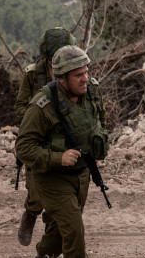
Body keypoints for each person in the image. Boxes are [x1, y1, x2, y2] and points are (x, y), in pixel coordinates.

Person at [15, 45, 110, 258]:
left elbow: (100, 120)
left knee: (60, 231)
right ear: (61, 79)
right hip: (51, 178)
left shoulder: (92, 91)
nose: (85, 78)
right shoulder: (43, 104)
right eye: (78, 75)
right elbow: (23, 147)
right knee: (74, 230)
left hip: (82, 174)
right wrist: (58, 157)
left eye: (86, 72)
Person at [14, 27, 78, 246]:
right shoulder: (33, 74)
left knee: (61, 194)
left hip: (66, 141)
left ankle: (51, 238)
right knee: (36, 190)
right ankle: (30, 213)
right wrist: (40, 116)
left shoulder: (77, 71)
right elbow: (21, 107)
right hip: (40, 142)